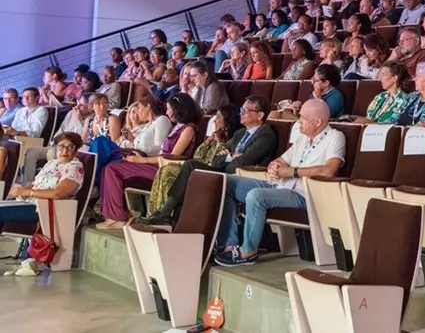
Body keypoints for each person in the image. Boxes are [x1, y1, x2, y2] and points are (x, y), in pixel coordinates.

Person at [213, 99, 345, 267]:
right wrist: (274, 167)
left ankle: (248, 252)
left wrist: (292, 172)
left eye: (303, 118)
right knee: (226, 182)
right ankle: (229, 244)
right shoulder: (303, 138)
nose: (298, 121)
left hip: (304, 193)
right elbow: (281, 160)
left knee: (256, 196)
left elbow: (329, 170)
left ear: (317, 122)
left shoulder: (335, 137)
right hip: (281, 186)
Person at [139, 101, 274, 223]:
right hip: (221, 169)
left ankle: (165, 214)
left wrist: (226, 157)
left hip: (239, 177)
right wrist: (230, 156)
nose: (241, 113)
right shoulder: (240, 133)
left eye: (246, 110)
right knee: (189, 168)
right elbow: (216, 159)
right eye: (241, 109)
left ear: (260, 115)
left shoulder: (265, 134)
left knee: (190, 166)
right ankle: (166, 215)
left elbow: (244, 160)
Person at [97, 93, 200, 229]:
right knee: (109, 166)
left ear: (178, 109)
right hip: (156, 163)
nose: (167, 112)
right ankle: (113, 215)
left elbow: (172, 156)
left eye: (169, 109)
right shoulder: (178, 127)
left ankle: (117, 217)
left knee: (112, 168)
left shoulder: (189, 129)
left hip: (165, 168)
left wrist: (142, 160)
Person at [4, 132, 86, 227]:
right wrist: (21, 190)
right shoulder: (52, 163)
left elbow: (57, 193)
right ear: (55, 148)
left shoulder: (75, 168)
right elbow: (35, 183)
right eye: (61, 146)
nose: (64, 151)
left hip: (45, 209)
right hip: (29, 203)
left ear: (76, 150)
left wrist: (29, 192)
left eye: (70, 147)